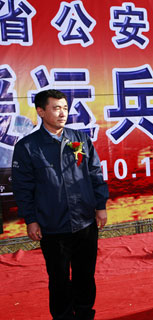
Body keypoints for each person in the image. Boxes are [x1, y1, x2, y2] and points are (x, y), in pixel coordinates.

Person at [11, 89, 108, 320]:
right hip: (53, 225)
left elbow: (94, 172)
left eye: (65, 108)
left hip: (85, 222)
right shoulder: (28, 147)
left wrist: (100, 205)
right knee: (59, 278)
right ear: (41, 111)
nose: (62, 113)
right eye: (56, 108)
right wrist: (31, 220)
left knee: (85, 275)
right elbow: (23, 188)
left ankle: (85, 313)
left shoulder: (80, 138)